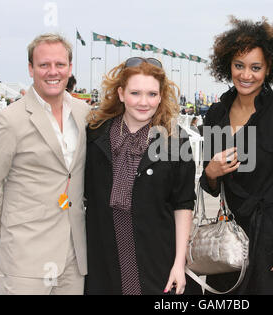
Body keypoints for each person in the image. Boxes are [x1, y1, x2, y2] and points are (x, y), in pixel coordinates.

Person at [200, 17, 273, 294]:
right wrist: (211, 174)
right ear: (228, 66)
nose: (246, 75)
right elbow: (211, 186)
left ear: (269, 68)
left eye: (255, 67)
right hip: (228, 243)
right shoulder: (216, 113)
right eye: (239, 66)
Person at [0, 33, 89, 294]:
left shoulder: (84, 113)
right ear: (31, 69)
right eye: (44, 65)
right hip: (26, 257)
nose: (53, 72)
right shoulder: (10, 120)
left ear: (70, 68)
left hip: (74, 257)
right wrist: (15, 230)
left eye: (60, 65)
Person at [84, 57, 201, 295]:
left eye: (152, 94)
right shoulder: (96, 137)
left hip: (157, 258)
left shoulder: (175, 141)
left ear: (161, 97)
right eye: (135, 93)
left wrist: (179, 263)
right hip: (104, 259)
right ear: (120, 94)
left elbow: (183, 205)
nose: (144, 102)